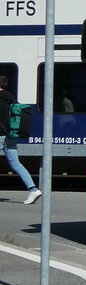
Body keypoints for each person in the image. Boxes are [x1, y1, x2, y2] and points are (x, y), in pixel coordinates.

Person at [0, 76, 39, 205]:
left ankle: (33, 190)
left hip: (0, 135)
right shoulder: (10, 97)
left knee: (15, 163)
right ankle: (33, 189)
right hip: (10, 136)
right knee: (16, 164)